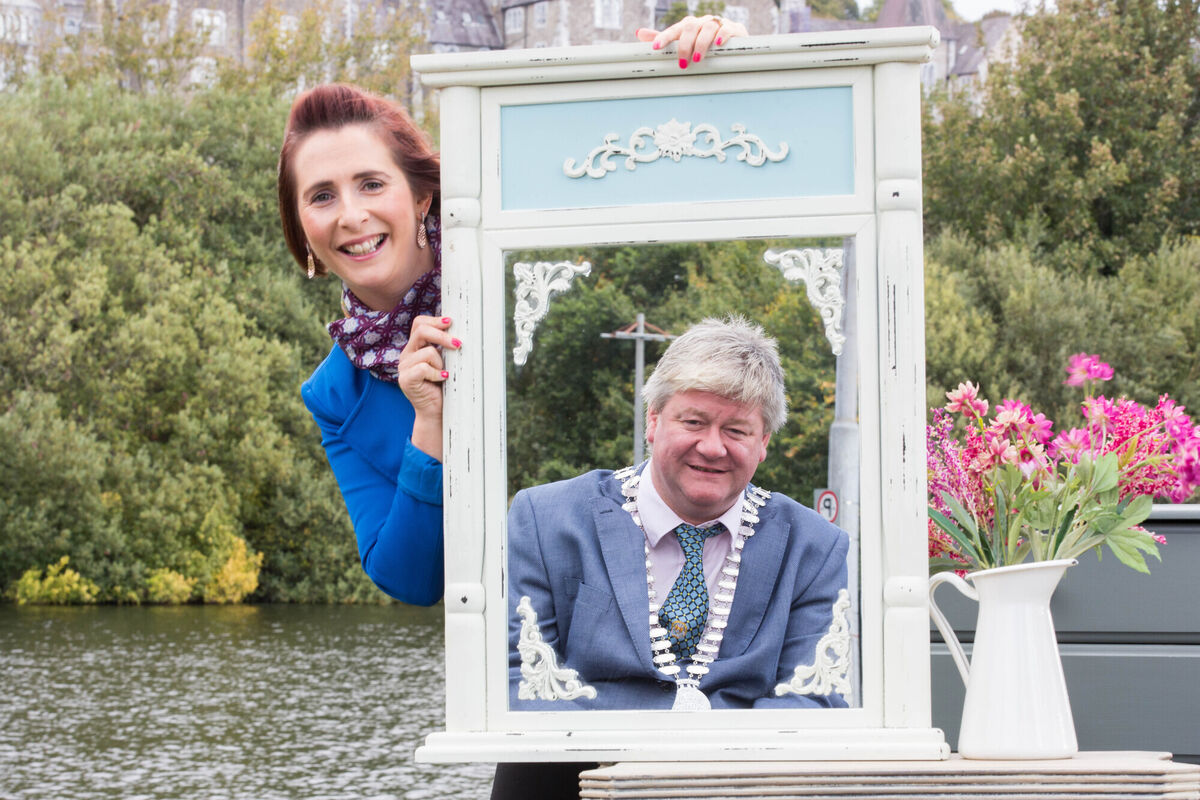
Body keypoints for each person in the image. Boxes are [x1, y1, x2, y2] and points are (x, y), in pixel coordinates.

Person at [276, 14, 750, 607]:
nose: (350, 215)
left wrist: (719, 62)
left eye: (371, 183)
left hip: (687, 576)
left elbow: (641, 160)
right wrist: (429, 423)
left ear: (421, 195)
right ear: (301, 227)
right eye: (322, 196)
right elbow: (412, 581)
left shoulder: (517, 246)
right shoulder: (334, 393)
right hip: (517, 633)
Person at [507, 317, 851, 712]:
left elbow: (813, 698)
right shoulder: (546, 522)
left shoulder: (814, 549)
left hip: (743, 754)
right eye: (694, 422)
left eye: (736, 430)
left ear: (763, 442)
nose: (712, 447)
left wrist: (711, 752)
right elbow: (518, 681)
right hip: (577, 752)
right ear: (653, 420)